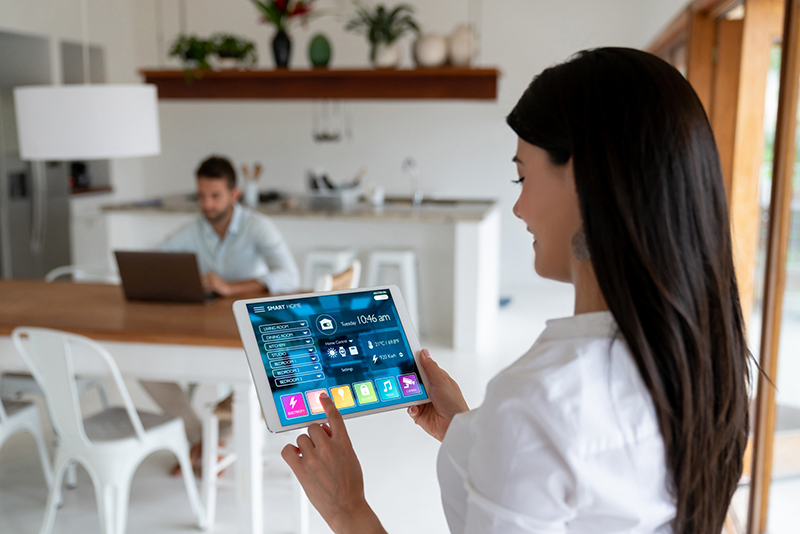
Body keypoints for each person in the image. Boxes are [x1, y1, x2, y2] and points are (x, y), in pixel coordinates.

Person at [279, 48, 751, 534]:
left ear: (587, 180)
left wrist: (347, 509)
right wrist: (465, 428)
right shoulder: (698, 359)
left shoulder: (537, 402)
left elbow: (539, 442)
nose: (518, 207)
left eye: (522, 176)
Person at [143, 155, 301, 470]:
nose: (207, 204)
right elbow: (152, 262)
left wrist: (232, 287)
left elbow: (289, 277)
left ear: (234, 195)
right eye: (201, 196)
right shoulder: (193, 230)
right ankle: (204, 439)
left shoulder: (257, 227)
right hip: (203, 326)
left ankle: (215, 443)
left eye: (215, 196)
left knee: (252, 387)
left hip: (248, 329)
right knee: (145, 363)